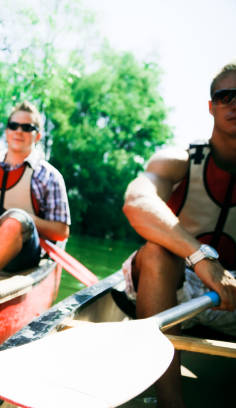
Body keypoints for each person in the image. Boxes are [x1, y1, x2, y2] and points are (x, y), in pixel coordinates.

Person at [122, 62, 236, 408]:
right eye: (225, 96)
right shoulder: (179, 160)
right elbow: (136, 201)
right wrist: (203, 260)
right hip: (178, 288)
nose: (235, 103)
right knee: (155, 253)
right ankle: (171, 403)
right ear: (211, 106)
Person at [0, 101, 70, 291]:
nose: (19, 131)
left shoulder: (49, 176)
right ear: (6, 131)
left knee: (15, 221)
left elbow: (61, 231)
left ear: (38, 136)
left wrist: (23, 219)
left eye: (27, 127)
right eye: (13, 126)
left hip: (23, 252)